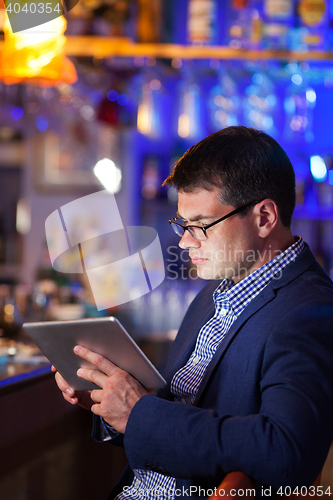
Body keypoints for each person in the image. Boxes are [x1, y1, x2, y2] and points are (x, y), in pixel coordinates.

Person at [54, 126, 333, 499]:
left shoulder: (310, 310)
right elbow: (178, 419)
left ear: (264, 217)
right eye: (182, 225)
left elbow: (287, 452)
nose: (184, 242)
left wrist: (140, 413)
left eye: (200, 226)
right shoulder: (212, 294)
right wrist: (112, 403)